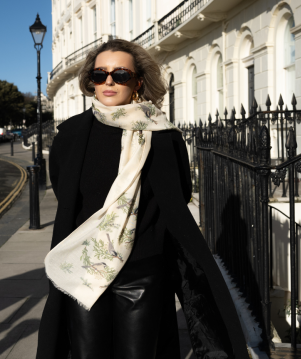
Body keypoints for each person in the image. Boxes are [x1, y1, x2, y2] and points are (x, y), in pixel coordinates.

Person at [36, 39, 248, 359]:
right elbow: (65, 193)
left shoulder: (163, 136)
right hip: (84, 267)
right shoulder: (71, 135)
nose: (109, 81)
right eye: (100, 74)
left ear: (137, 82)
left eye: (120, 74)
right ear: (90, 80)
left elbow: (175, 198)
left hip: (143, 273)